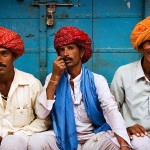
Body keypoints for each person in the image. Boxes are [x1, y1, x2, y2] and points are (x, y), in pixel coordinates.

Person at [34, 26, 132, 150]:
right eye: (61, 49)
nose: (65, 54)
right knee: (36, 141)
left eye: (70, 48)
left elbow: (111, 110)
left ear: (81, 52)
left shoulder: (97, 80)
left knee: (117, 141)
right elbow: (42, 114)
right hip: (62, 136)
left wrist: (123, 143)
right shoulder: (52, 78)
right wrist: (55, 78)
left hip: (93, 137)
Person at [0, 26, 50, 150]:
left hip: (22, 138)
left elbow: (44, 119)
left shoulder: (31, 83)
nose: (0, 59)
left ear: (14, 56)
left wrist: (19, 134)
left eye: (4, 53)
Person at [110, 16, 150, 150]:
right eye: (149, 41)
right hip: (138, 135)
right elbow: (111, 110)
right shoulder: (123, 73)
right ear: (141, 45)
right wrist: (126, 127)